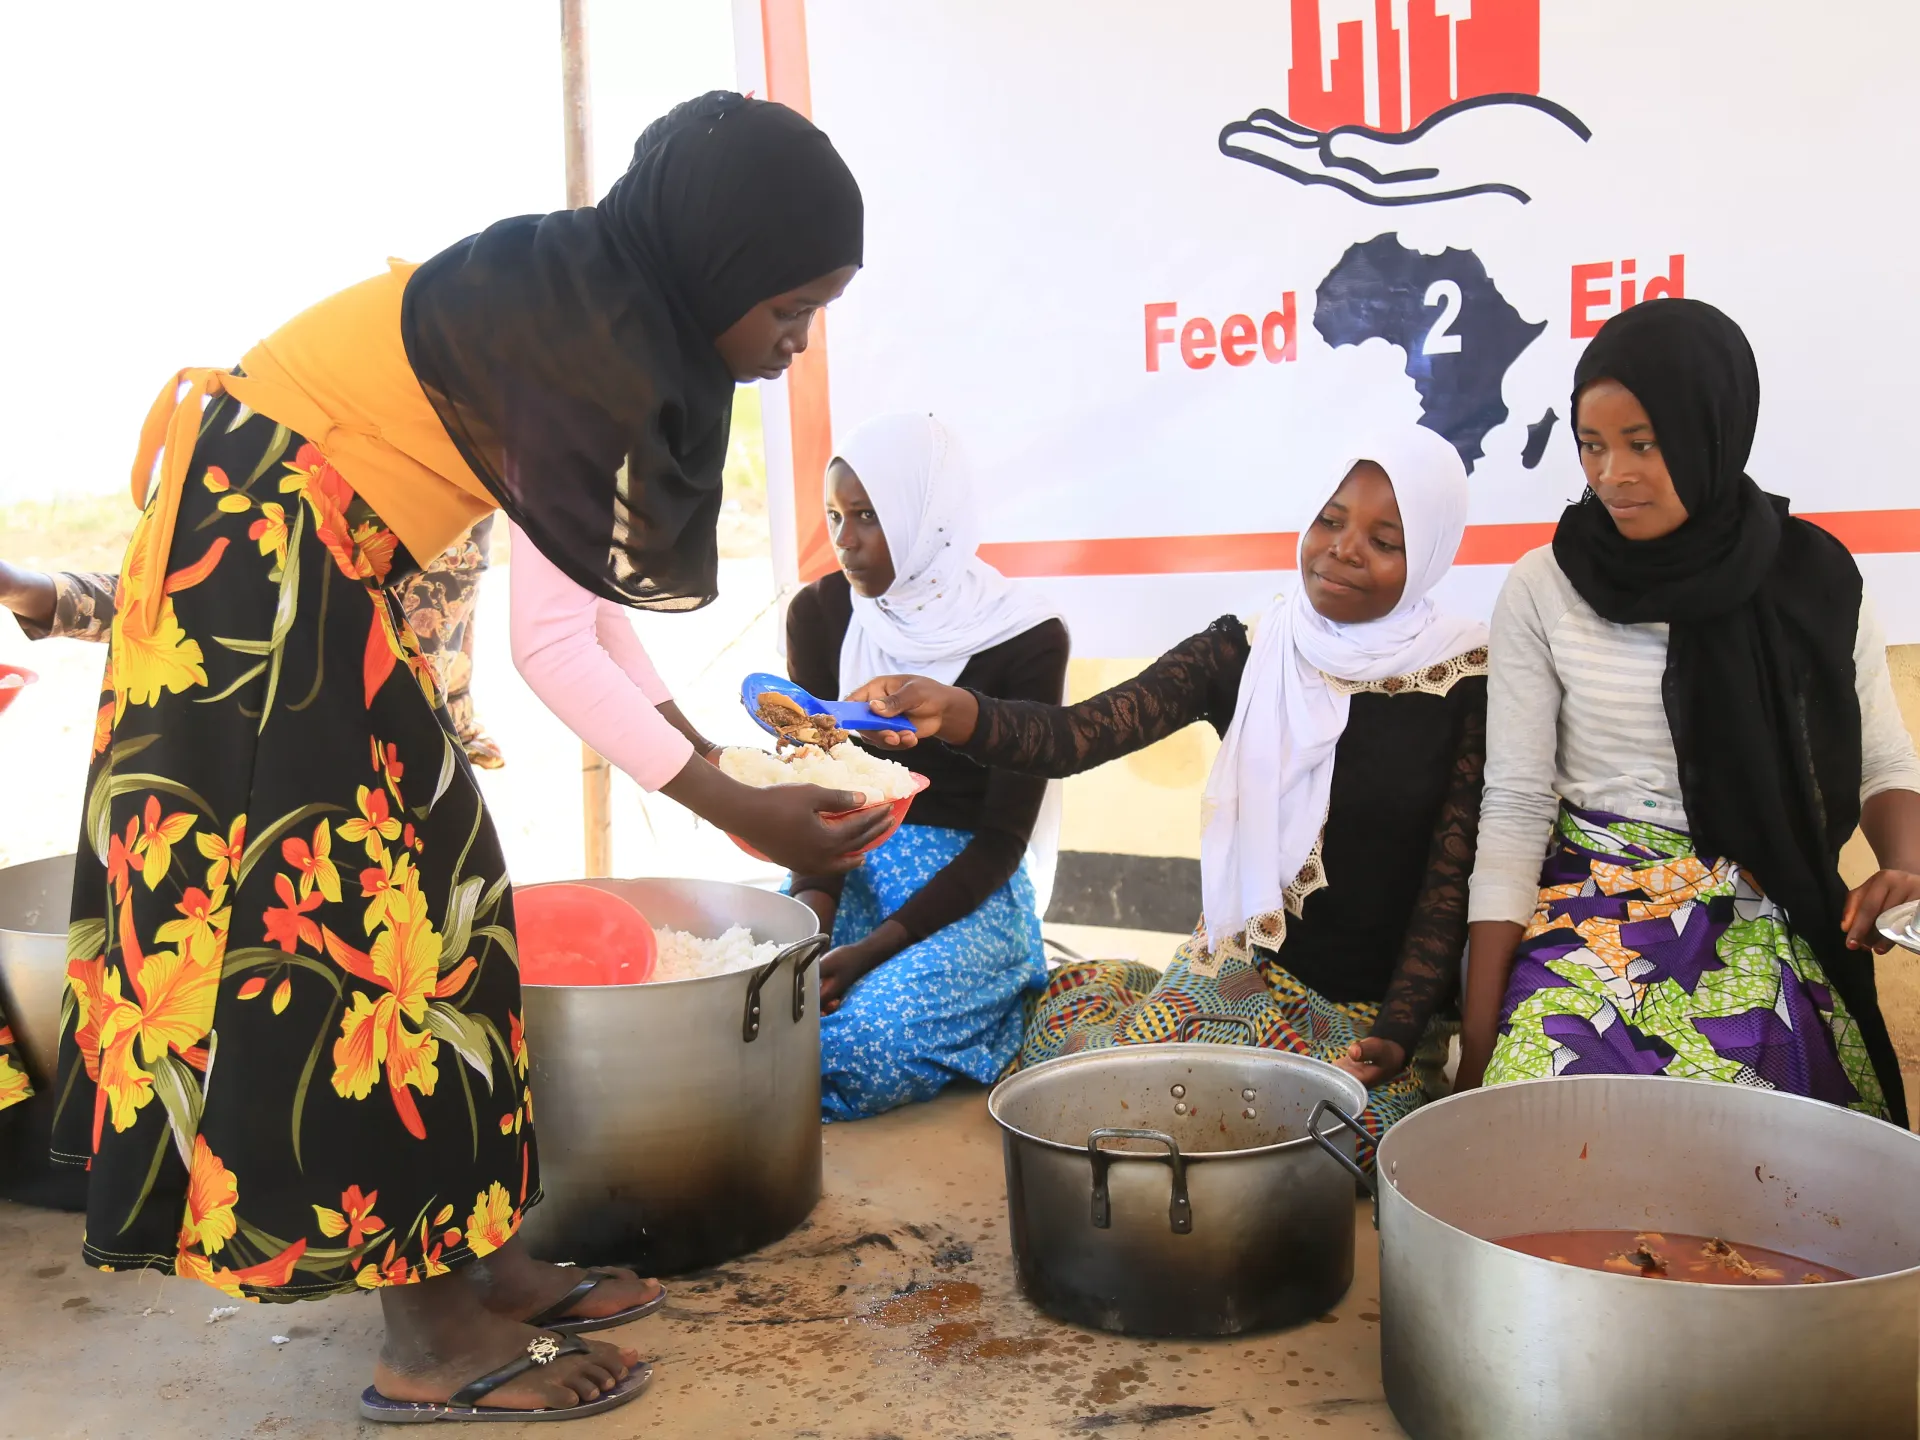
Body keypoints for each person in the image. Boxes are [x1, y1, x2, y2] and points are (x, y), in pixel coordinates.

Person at [49, 92, 881, 1424]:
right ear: (716, 261)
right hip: (262, 562)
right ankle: (425, 1334)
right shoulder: (583, 339)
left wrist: (728, 782)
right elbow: (557, 648)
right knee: (359, 928)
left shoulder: (605, 306)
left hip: (318, 562)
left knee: (452, 894)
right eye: (791, 308)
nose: (798, 342)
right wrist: (742, 810)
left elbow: (588, 616)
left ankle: (476, 1264)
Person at [855, 428, 1489, 1168]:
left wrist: (1400, 1032)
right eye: (1331, 519)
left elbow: (1449, 890)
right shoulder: (1251, 647)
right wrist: (959, 710)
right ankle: (1115, 1004)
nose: (1344, 549)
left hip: (1366, 1020)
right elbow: (1078, 736)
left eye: (1386, 540)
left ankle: (1158, 1023)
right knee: (1110, 1112)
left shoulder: (1464, 680)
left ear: (1432, 557)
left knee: (1343, 1149)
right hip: (1236, 975)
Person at [1455, 299, 1920, 1126]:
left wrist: (1908, 871)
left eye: (1644, 443)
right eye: (1591, 447)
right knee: (1541, 1105)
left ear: (1712, 430)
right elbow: (1518, 803)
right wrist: (1483, 1033)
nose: (1612, 475)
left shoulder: (1813, 579)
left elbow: (1883, 762)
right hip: (1586, 906)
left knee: (1777, 1137)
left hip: (1761, 901)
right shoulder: (1544, 584)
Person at [782, 413, 1068, 1120]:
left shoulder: (1024, 636)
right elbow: (818, 802)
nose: (843, 541)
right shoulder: (819, 615)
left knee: (856, 1043)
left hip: (960, 895)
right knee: (748, 1006)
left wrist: (867, 954)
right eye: (835, 516)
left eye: (868, 517)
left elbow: (1003, 842)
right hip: (844, 868)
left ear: (927, 518)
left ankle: (998, 1006)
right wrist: (812, 934)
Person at [4, 530, 507, 769]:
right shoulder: (300, 489)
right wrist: (30, 588)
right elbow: (194, 599)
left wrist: (457, 723)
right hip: (301, 776)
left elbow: (446, 628)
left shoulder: (465, 473)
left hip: (406, 774)